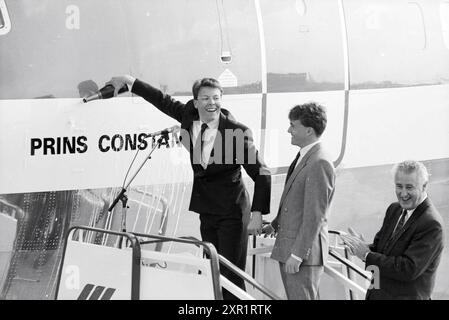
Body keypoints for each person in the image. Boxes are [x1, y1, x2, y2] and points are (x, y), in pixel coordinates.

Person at [107, 75, 271, 299]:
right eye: (205, 98)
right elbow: (162, 100)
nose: (211, 103)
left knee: (231, 277)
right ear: (195, 102)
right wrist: (132, 83)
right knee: (212, 272)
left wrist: (257, 214)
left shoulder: (236, 132)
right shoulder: (188, 116)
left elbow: (262, 172)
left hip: (232, 212)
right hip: (207, 210)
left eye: (215, 97)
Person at [342, 160, 445, 300]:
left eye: (409, 187)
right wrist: (363, 247)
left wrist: (366, 255)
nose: (403, 193)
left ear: (424, 186)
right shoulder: (394, 209)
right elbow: (383, 249)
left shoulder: (431, 224)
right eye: (399, 186)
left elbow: (408, 269)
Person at [263, 102, 335, 300]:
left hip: (302, 255)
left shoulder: (319, 162)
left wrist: (297, 254)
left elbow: (315, 214)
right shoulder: (306, 157)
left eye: (293, 126)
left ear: (309, 130)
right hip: (291, 249)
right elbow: (296, 202)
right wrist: (274, 225)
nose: (289, 130)